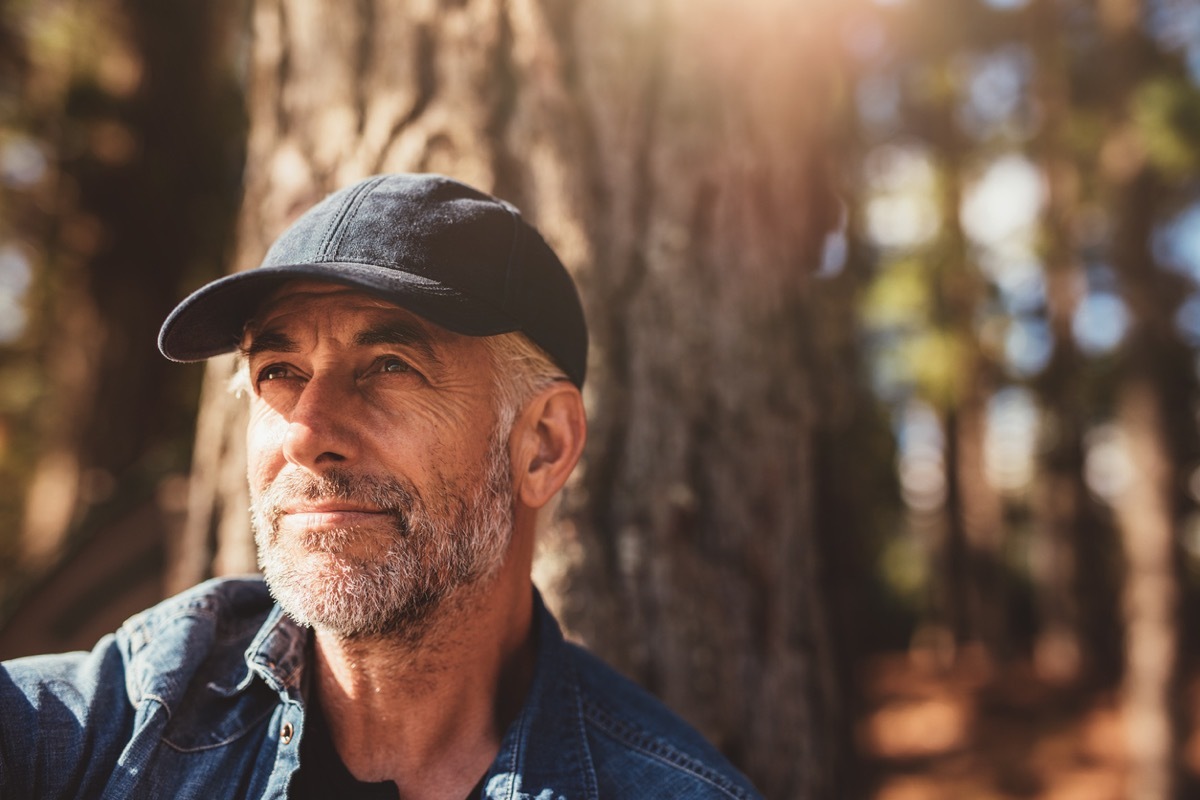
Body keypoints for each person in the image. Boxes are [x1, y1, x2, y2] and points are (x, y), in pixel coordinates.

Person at [0, 174, 763, 799]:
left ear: (542, 446)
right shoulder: (136, 713)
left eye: (389, 368)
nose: (307, 430)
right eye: (279, 373)